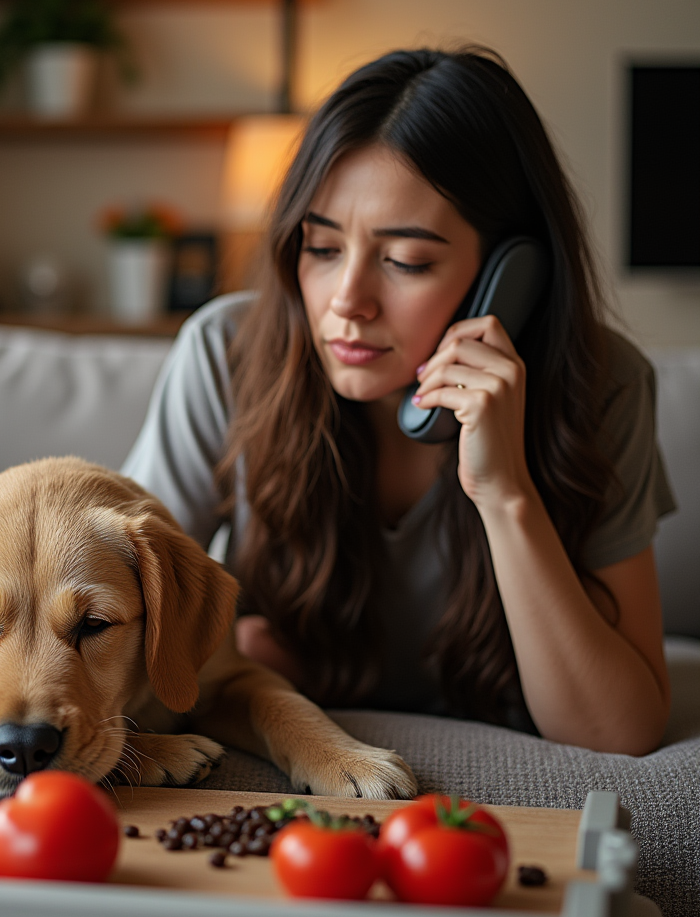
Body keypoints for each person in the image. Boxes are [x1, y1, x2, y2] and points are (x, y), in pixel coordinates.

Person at [121, 47, 676, 756]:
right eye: (321, 249)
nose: (346, 303)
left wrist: (506, 494)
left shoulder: (606, 385)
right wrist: (235, 653)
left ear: (511, 274)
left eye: (405, 261)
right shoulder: (224, 354)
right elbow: (117, 601)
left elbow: (616, 730)